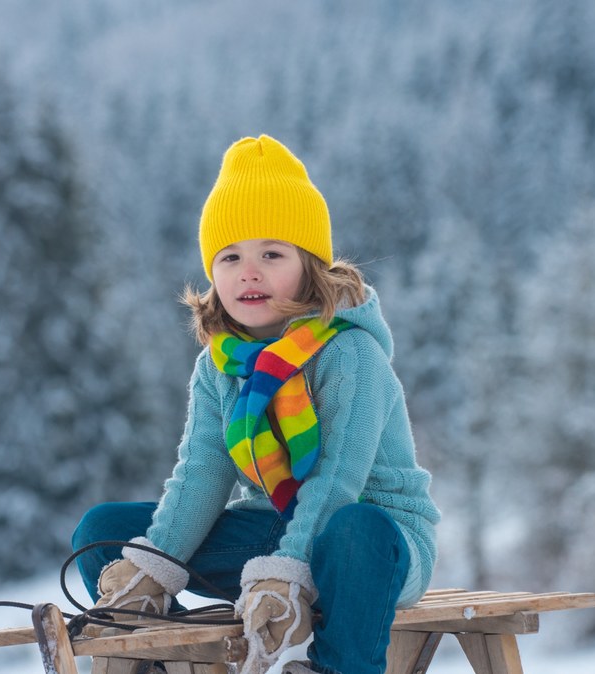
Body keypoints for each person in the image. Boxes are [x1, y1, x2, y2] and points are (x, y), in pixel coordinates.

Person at [71, 134, 440, 674]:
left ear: (310, 266)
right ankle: (174, 661)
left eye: (272, 253)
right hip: (270, 531)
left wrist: (288, 569)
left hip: (372, 542)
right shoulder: (218, 366)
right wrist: (152, 569)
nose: (249, 271)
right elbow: (200, 476)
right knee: (102, 534)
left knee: (354, 528)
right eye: (231, 256)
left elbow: (337, 480)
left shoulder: (348, 352)